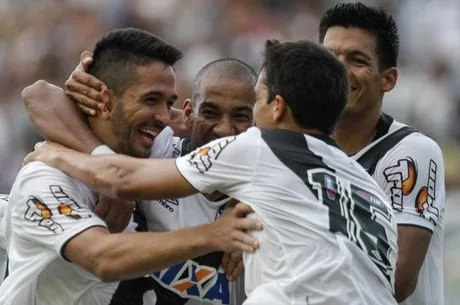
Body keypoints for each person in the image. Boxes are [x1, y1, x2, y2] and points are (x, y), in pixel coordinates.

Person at [27, 40, 399, 305]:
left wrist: (55, 153)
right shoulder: (368, 189)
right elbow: (39, 94)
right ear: (189, 113)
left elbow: (120, 179)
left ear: (276, 107)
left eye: (248, 108)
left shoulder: (259, 150)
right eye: (210, 113)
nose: (224, 129)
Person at [0, 28, 261, 305]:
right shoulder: (44, 179)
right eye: (151, 100)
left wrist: (251, 194)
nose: (163, 117)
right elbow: (102, 257)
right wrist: (215, 235)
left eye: (168, 103)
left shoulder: (149, 150)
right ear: (104, 98)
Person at [319, 3, 445, 305]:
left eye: (357, 60)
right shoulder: (299, 146)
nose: (338, 69)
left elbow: (396, 281)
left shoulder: (411, 153)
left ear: (388, 79)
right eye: (329, 57)